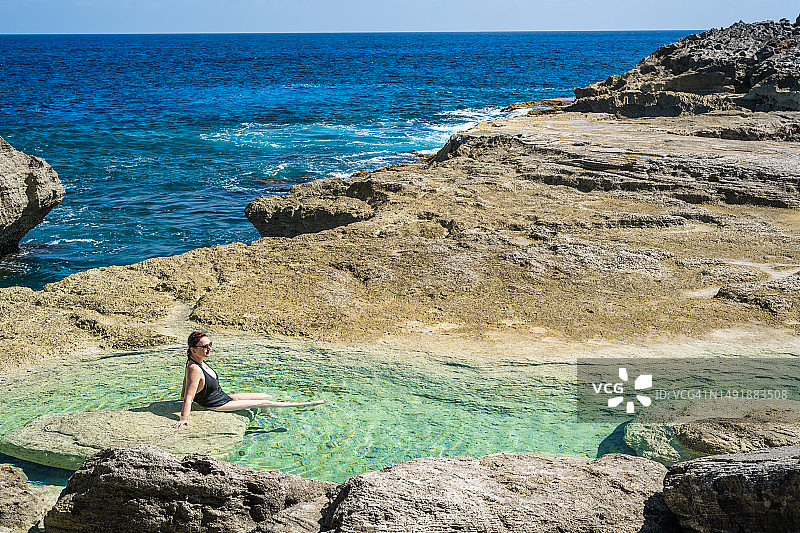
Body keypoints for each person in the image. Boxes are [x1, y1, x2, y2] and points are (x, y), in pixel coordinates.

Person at [174, 331, 328, 428]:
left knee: (267, 397)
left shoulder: (196, 362)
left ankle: (264, 414)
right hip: (216, 404)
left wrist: (180, 395)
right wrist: (183, 418)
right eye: (204, 347)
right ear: (193, 350)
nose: (209, 349)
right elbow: (189, 397)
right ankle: (308, 404)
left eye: (210, 345)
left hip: (224, 397)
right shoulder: (194, 368)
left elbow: (185, 383)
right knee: (264, 403)